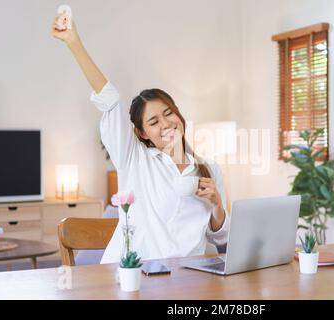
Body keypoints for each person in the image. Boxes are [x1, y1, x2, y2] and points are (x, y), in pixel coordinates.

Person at [51, 13, 229, 263]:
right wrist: (74, 42)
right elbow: (110, 101)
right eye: (154, 122)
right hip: (134, 276)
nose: (166, 124)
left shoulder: (209, 169)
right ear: (142, 133)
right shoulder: (134, 159)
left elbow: (223, 241)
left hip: (188, 280)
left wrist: (217, 206)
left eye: (169, 113)